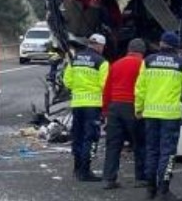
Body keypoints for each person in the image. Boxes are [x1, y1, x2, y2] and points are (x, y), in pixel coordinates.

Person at [134, 31, 182, 201]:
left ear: (161, 44)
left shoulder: (148, 61)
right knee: (168, 152)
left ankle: (150, 189)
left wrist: (139, 108)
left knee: (152, 150)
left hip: (150, 113)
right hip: (171, 114)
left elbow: (140, 87)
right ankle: (163, 191)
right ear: (176, 46)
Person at [101, 38, 147, 189]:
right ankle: (141, 178)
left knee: (113, 144)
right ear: (142, 52)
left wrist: (105, 110)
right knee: (139, 143)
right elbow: (144, 88)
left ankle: (109, 178)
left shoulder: (116, 64)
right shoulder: (142, 65)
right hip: (132, 106)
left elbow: (107, 88)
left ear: (129, 50)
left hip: (115, 106)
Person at [63, 33, 109, 182]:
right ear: (100, 46)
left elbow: (67, 81)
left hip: (77, 104)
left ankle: (76, 168)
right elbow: (105, 85)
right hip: (93, 105)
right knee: (91, 137)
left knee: (78, 136)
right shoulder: (102, 62)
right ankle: (85, 170)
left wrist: (79, 89)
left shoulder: (75, 59)